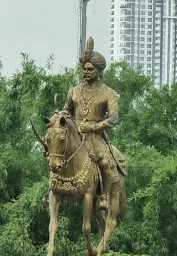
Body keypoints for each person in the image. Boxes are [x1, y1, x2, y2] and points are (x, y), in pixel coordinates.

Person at [62, 37, 118, 211]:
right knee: (56, 155)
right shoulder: (74, 91)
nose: (85, 71)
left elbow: (114, 118)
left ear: (99, 71)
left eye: (90, 69)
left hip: (95, 136)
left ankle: (104, 196)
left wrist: (93, 127)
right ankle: (51, 190)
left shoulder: (109, 93)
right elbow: (67, 110)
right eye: (84, 69)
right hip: (75, 134)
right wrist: (62, 116)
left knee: (104, 162)